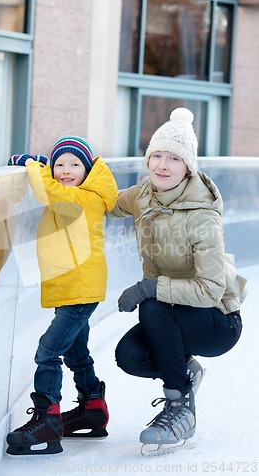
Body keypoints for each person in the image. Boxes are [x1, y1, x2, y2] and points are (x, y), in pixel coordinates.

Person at [108, 107, 247, 453]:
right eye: (156, 155)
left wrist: (146, 287)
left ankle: (180, 407)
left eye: (173, 158)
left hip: (217, 321)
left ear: (188, 167)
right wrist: (62, 170)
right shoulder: (144, 194)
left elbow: (210, 289)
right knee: (129, 354)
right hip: (173, 313)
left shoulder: (202, 217)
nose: (162, 165)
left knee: (153, 307)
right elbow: (107, 204)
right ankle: (185, 372)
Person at [6, 135, 118, 455]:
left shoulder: (88, 197)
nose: (65, 170)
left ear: (88, 169)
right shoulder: (74, 191)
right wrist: (41, 166)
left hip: (81, 290)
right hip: (72, 287)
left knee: (48, 351)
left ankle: (48, 420)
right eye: (59, 164)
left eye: (74, 164)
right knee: (75, 352)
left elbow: (49, 192)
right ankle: (93, 407)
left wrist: (32, 164)